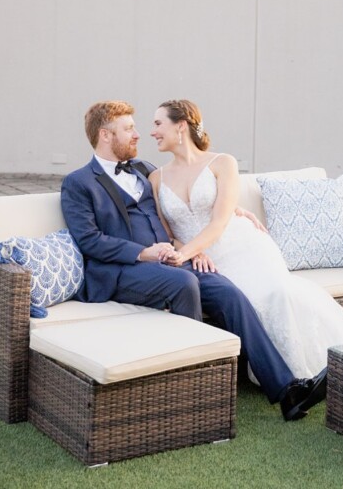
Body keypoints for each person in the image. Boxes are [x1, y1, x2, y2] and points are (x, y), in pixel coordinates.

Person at [60, 100, 327, 421]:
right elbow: (89, 241)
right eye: (128, 129)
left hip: (172, 258)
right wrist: (144, 253)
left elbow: (170, 220)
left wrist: (190, 245)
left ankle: (287, 392)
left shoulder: (146, 171)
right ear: (105, 135)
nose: (137, 134)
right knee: (184, 282)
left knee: (227, 291)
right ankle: (197, 388)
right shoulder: (78, 183)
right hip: (122, 271)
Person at [150, 99, 343, 380]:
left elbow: (219, 221)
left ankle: (327, 366)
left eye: (158, 123)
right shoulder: (155, 178)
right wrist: (191, 253)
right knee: (246, 301)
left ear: (180, 126)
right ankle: (289, 378)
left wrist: (185, 253)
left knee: (279, 293)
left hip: (242, 246)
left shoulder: (222, 163)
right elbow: (168, 234)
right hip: (205, 260)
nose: (152, 131)